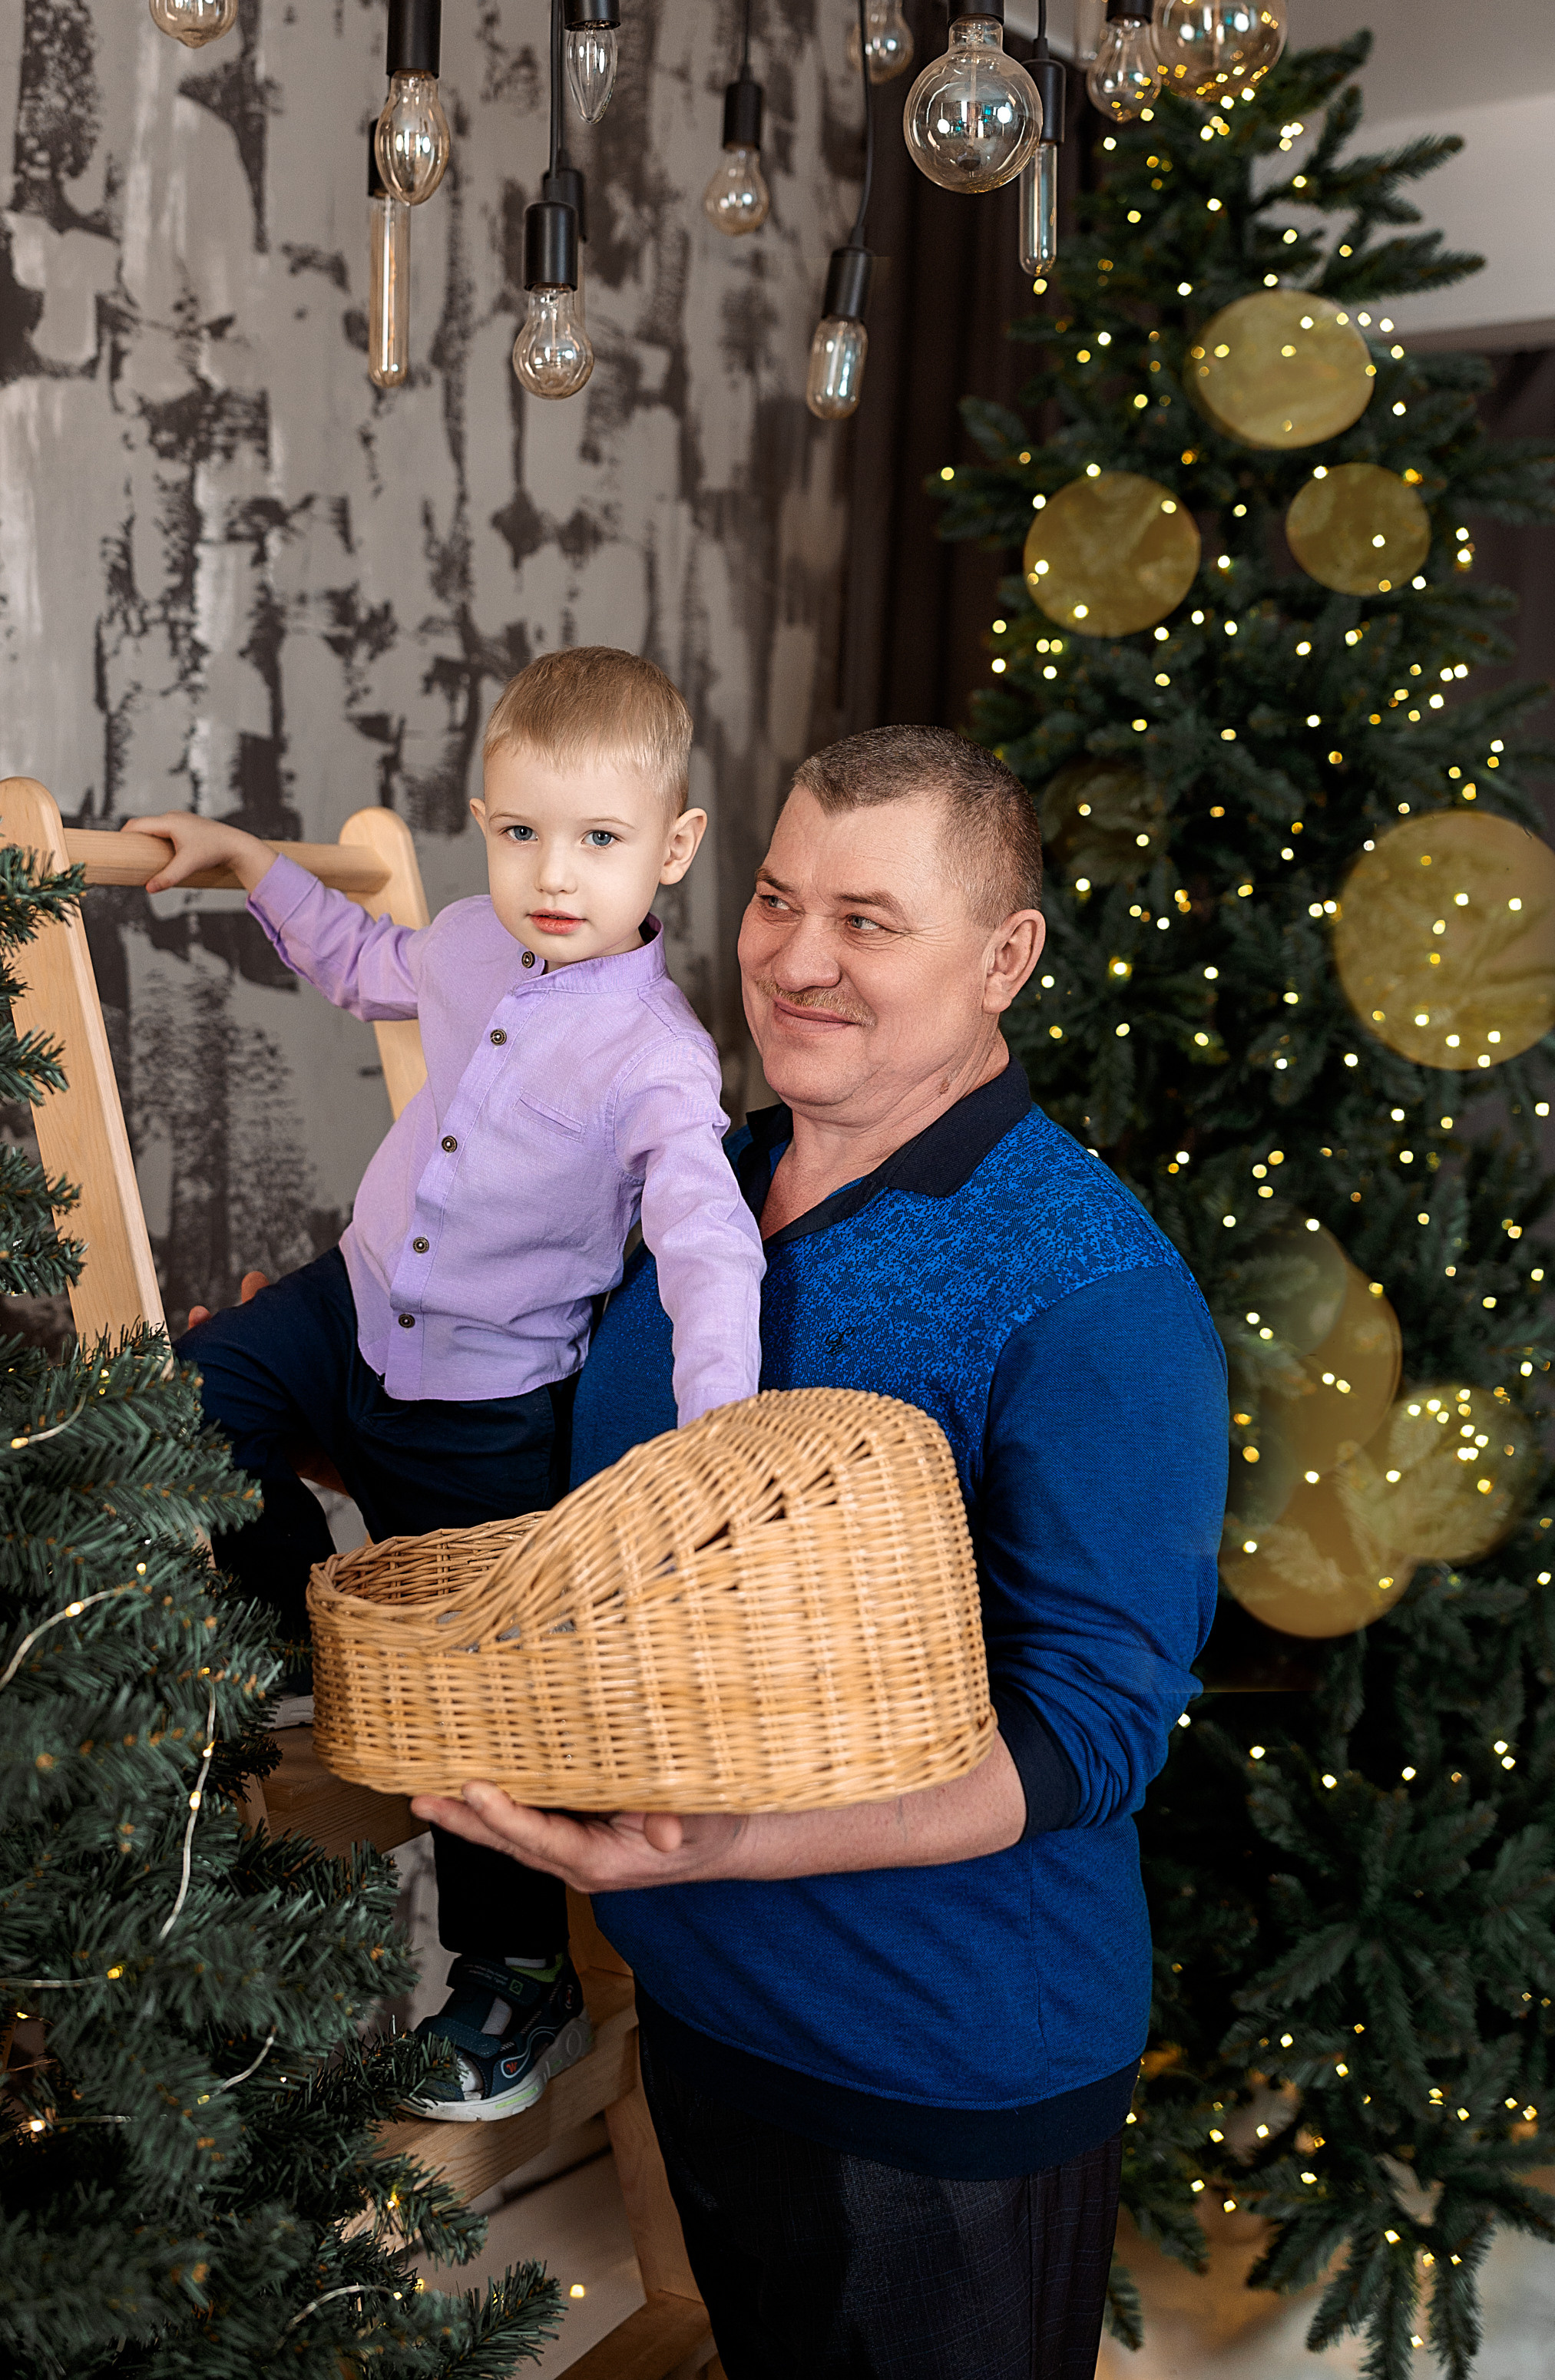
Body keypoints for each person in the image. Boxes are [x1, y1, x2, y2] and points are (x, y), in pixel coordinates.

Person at [412, 725, 1229, 2376]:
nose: (793, 957)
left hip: (939, 2071)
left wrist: (730, 1850)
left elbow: (1091, 1732)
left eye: (868, 919)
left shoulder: (1091, 1286)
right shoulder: (691, 1189)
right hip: (708, 2019)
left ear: (1004, 957)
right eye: (778, 896)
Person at [125, 648, 764, 2122]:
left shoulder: (655, 1056)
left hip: (485, 1398)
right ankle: (289, 1627)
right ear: (484, 819)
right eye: (523, 831)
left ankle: (514, 1982)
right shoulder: (478, 937)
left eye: (600, 841)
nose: (555, 872)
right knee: (180, 1401)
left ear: (670, 848)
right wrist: (246, 866)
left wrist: (713, 1433)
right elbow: (365, 967)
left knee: (485, 1701)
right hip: (349, 1310)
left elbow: (703, 1239)